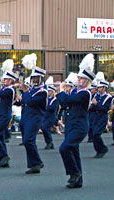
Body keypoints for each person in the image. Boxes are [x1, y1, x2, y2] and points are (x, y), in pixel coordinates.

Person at [57, 53, 95, 188]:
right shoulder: (74, 92)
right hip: (71, 125)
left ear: (88, 82)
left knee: (64, 148)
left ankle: (74, 173)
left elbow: (66, 100)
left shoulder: (86, 93)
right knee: (73, 151)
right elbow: (66, 104)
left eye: (83, 79)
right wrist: (64, 93)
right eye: (79, 78)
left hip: (79, 126)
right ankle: (78, 180)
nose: (79, 80)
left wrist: (61, 91)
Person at [21, 60, 47, 174]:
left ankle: (37, 162)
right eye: (33, 78)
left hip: (36, 117)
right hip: (27, 117)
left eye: (37, 78)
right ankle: (33, 164)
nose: (34, 80)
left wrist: (25, 92)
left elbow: (30, 102)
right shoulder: (33, 89)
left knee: (28, 140)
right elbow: (25, 101)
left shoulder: (43, 91)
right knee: (28, 141)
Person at [91, 79, 112, 158]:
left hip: (102, 117)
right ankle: (99, 150)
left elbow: (105, 109)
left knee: (96, 134)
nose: (98, 89)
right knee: (94, 135)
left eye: (100, 88)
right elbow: (94, 108)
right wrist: (91, 106)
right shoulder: (97, 96)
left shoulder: (108, 97)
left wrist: (96, 104)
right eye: (98, 88)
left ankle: (103, 148)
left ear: (104, 88)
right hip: (96, 117)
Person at [42, 84, 59, 150]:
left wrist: (46, 107)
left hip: (52, 116)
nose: (48, 92)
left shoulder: (55, 100)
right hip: (46, 116)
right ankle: (49, 142)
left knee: (45, 128)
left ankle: (49, 142)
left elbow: (53, 108)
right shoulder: (47, 99)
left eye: (49, 91)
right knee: (45, 129)